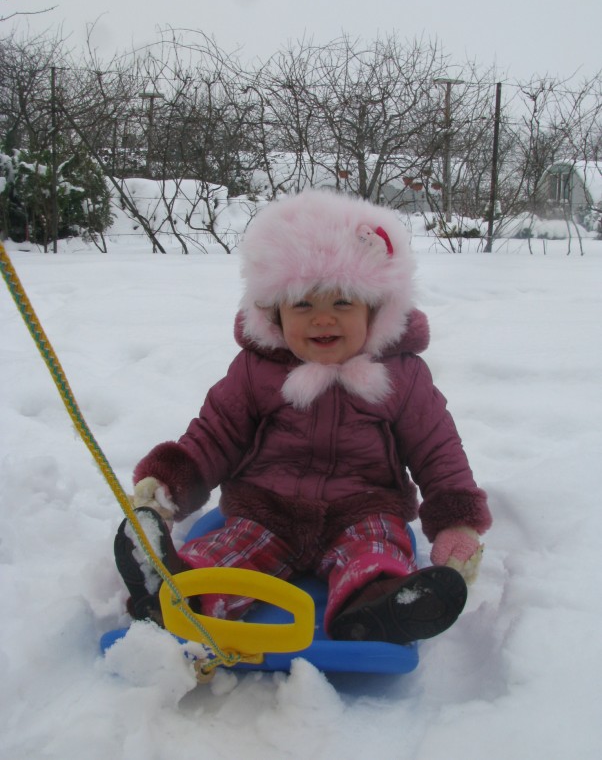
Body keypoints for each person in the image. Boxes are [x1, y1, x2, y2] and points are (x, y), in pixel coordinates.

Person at [114, 189, 492, 646]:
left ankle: (382, 606)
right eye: (303, 304)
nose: (322, 320)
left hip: (364, 507)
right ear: (274, 313)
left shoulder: (402, 377)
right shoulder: (257, 371)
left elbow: (437, 450)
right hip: (265, 508)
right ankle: (176, 594)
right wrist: (170, 484)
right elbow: (215, 434)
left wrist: (455, 519)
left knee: (374, 551)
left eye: (342, 303)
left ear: (376, 310)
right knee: (230, 551)